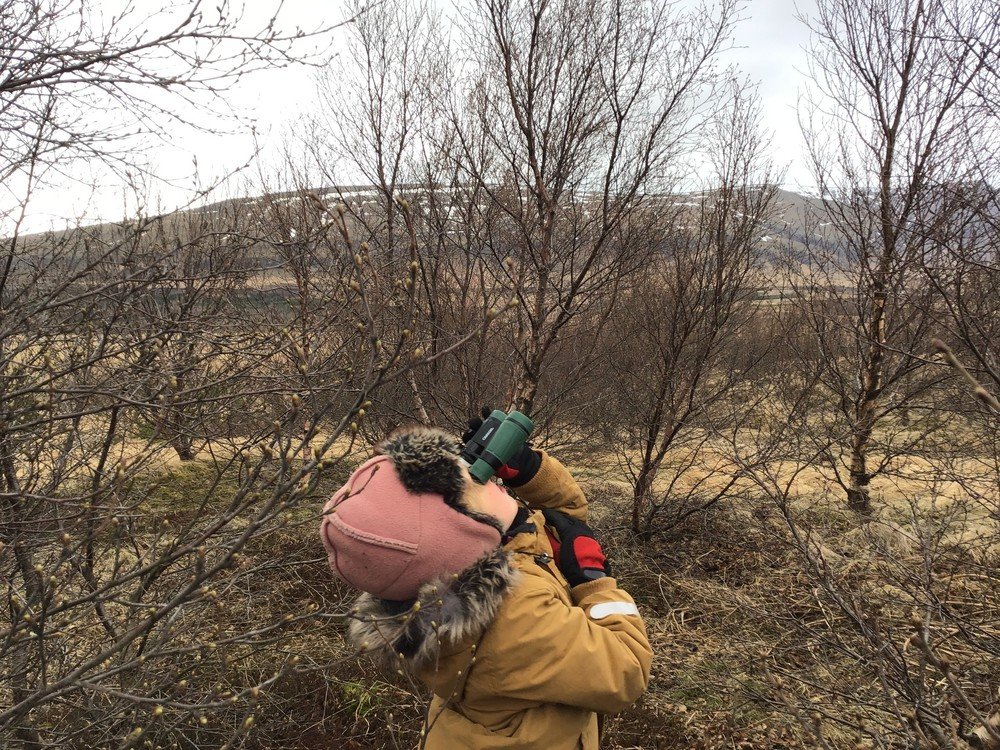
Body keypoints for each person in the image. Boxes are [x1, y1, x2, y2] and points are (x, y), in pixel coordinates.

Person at [320, 420, 652, 749]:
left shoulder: (463, 572)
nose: (490, 477)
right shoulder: (516, 615)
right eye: (475, 480)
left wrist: (531, 471)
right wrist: (594, 582)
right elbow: (627, 670)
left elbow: (566, 517)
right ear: (467, 526)